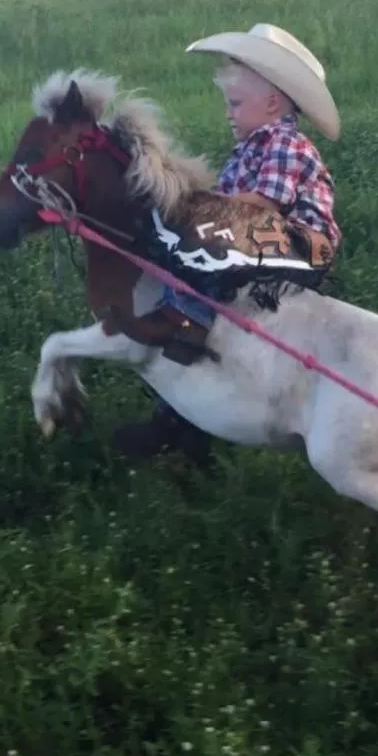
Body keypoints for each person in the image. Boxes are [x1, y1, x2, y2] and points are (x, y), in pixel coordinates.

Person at [110, 23, 342, 463]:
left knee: (207, 248)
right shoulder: (252, 145)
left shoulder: (286, 143)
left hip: (301, 242)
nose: (228, 113)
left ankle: (187, 321)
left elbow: (263, 204)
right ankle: (181, 413)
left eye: (235, 104)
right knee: (184, 242)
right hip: (264, 236)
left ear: (272, 104)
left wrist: (203, 210)